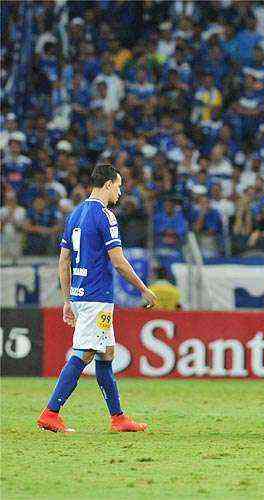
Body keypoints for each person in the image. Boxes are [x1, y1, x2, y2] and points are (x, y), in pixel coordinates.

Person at [36, 164, 157, 433]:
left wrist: (68, 299)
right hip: (96, 297)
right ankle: (51, 412)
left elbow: (64, 260)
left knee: (105, 353)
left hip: (81, 295)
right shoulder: (106, 216)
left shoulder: (76, 214)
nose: (120, 190)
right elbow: (119, 261)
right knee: (86, 352)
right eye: (119, 185)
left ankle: (118, 418)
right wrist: (143, 288)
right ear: (108, 185)